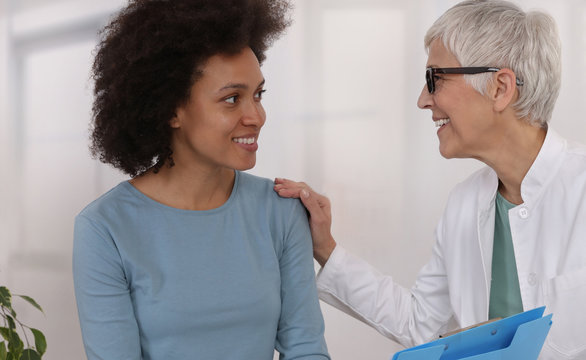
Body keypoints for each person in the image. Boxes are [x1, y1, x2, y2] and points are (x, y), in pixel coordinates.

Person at [274, 0, 586, 359]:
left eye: (434, 79)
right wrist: (325, 249)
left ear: (500, 88)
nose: (424, 100)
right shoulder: (464, 204)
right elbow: (421, 323)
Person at [72, 1, 330, 359]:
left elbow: (306, 350)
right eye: (231, 99)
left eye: (258, 95)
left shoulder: (280, 212)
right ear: (171, 109)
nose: (256, 116)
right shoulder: (105, 228)